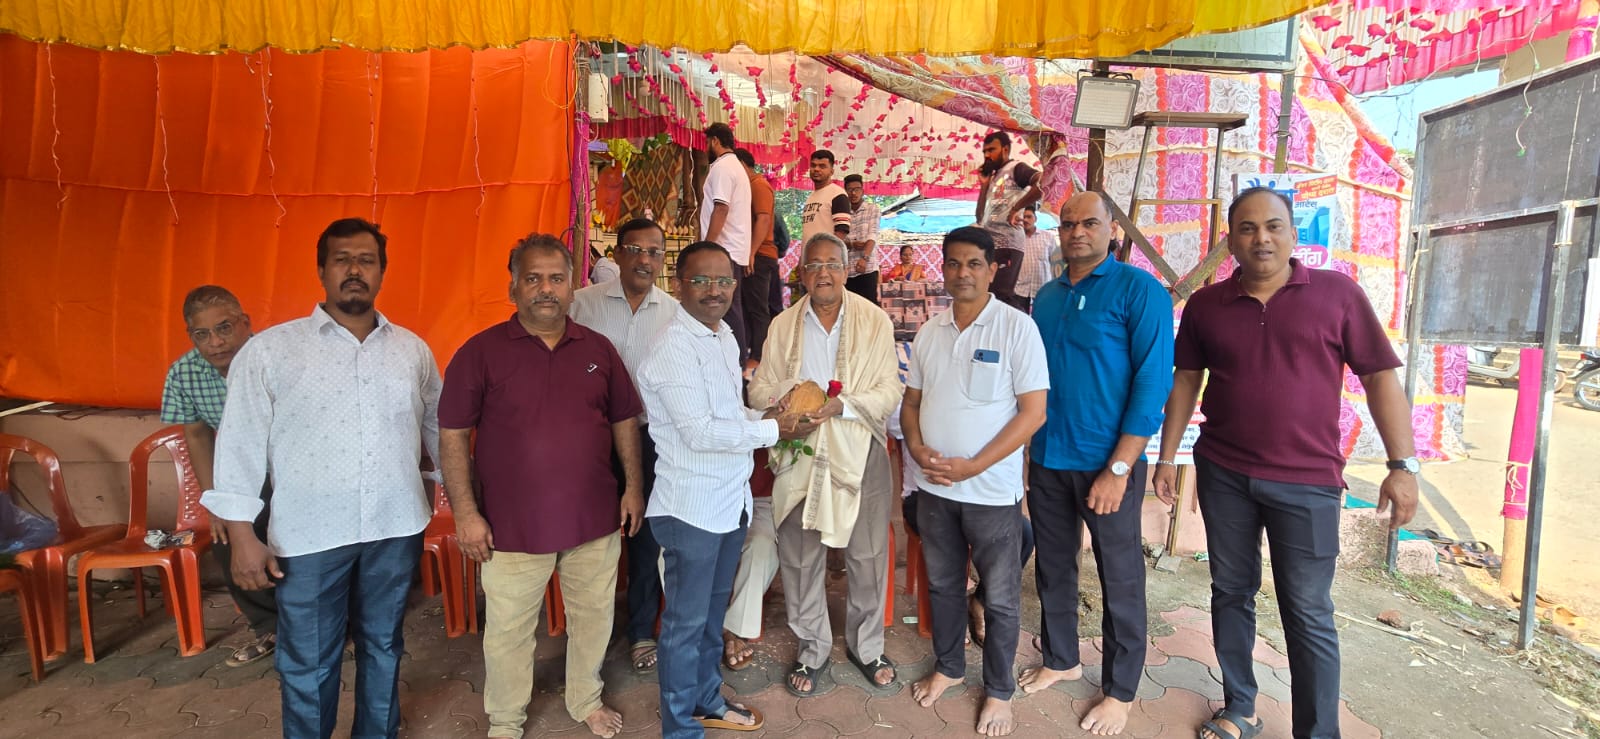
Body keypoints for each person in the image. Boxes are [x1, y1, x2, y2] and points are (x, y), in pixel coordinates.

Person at [1154, 187, 1420, 739]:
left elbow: (1379, 377)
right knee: (1231, 591)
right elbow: (1186, 380)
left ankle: (1317, 732)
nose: (1261, 238)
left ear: (1294, 234)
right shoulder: (1206, 305)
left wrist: (1403, 465)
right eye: (1247, 228)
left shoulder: (1337, 294)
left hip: (1308, 482)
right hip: (1224, 473)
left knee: (1307, 609)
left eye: (1273, 226)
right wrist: (1168, 455)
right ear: (1230, 241)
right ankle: (1240, 708)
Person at [202, 217, 441, 739]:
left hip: (394, 526)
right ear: (321, 270)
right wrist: (241, 535)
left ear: (382, 272)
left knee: (383, 645)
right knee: (308, 660)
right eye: (342, 260)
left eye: (366, 261)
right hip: (309, 536)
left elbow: (438, 428)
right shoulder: (271, 351)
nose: (355, 270)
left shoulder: (411, 350)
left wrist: (445, 490)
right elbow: (238, 445)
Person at [439, 233, 645, 739]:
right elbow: (453, 435)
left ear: (573, 287)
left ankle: (585, 699)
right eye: (533, 279)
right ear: (513, 288)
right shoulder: (480, 352)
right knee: (508, 632)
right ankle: (506, 721)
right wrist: (466, 514)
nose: (546, 289)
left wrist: (633, 488)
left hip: (593, 519)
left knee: (593, 619)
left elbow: (624, 420)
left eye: (556, 278)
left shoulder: (598, 350)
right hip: (510, 527)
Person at [637, 241, 811, 738]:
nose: (714, 290)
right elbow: (699, 433)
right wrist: (775, 430)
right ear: (678, 285)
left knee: (712, 617)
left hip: (729, 502)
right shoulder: (672, 347)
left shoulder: (724, 337)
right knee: (685, 624)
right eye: (700, 280)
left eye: (723, 281)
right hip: (689, 508)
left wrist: (767, 416)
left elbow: (729, 417)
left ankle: (707, 700)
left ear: (735, 285)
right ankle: (679, 728)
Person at [1017, 192, 1174, 735]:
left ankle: (1120, 690)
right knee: (1054, 566)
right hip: (1049, 456)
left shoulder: (1139, 290)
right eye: (1068, 224)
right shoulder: (1048, 297)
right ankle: (1061, 659)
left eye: (1089, 223)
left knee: (1120, 575)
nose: (1077, 232)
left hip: (1108, 464)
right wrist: (1028, 451)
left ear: (1112, 231)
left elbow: (1153, 381)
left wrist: (1120, 468)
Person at [903, 226, 1049, 737]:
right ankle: (948, 667)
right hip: (935, 488)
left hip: (990, 493)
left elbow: (1033, 413)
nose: (962, 273)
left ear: (992, 270)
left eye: (973, 264)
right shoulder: (930, 331)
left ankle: (999, 691)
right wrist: (916, 448)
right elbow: (912, 403)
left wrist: (976, 464)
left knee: (1002, 598)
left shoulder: (1016, 328)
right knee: (943, 585)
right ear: (943, 269)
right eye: (953, 263)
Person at [748, 233, 903, 696]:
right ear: (801, 274)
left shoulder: (874, 320)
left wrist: (843, 406)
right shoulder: (783, 325)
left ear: (847, 268)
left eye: (832, 264)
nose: (823, 274)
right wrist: (789, 399)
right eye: (813, 266)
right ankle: (812, 647)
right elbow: (758, 390)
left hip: (859, 444)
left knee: (867, 554)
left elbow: (890, 391)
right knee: (799, 555)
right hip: (801, 450)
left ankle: (867, 646)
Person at [570, 218, 678, 675]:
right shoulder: (583, 304)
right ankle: (587, 636)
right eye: (636, 249)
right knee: (592, 537)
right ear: (617, 254)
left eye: (655, 252)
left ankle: (639, 630)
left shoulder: (674, 313)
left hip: (649, 438)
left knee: (645, 537)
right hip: (591, 439)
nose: (645, 260)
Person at [159, 285, 277, 667]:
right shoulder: (183, 373)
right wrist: (216, 503)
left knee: (299, 537)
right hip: (239, 473)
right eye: (202, 334)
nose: (215, 342)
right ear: (190, 336)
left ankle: (327, 625)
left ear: (245, 323)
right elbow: (197, 436)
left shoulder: (275, 358)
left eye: (224, 328)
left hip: (291, 467)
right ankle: (270, 627)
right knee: (228, 537)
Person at [699, 122, 754, 360]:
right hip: (731, 250)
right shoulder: (736, 167)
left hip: (723, 250)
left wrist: (707, 247)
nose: (706, 148)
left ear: (714, 141)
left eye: (707, 143)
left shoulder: (722, 167)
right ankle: (734, 361)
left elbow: (721, 208)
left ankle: (736, 362)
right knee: (729, 307)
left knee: (726, 308)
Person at [973, 132, 1043, 311]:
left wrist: (1016, 208)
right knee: (989, 295)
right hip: (991, 244)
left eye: (992, 150)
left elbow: (1042, 183)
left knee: (1002, 296)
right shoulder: (994, 178)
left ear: (1005, 149)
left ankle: (1020, 327)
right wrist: (984, 186)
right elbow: (980, 217)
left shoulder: (1016, 168)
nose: (987, 155)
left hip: (1008, 243)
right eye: (985, 151)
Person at [736, 148, 778, 371]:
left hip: (760, 255)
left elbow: (763, 219)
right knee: (747, 306)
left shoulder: (758, 185)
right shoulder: (747, 186)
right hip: (753, 254)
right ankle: (751, 352)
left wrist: (751, 252)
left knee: (758, 308)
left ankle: (760, 356)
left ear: (743, 164)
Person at [843, 174, 882, 303]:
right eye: (850, 189)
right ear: (845, 191)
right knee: (850, 308)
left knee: (869, 307)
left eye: (857, 189)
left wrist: (864, 258)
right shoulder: (842, 212)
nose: (853, 193)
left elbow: (873, 234)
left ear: (862, 191)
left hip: (867, 268)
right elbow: (837, 238)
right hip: (847, 270)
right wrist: (851, 244)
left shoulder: (872, 209)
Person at [799, 150, 852, 246]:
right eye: (813, 165)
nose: (816, 169)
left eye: (822, 166)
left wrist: (827, 252)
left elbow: (842, 231)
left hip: (826, 254)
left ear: (831, 171)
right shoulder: (811, 197)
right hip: (808, 254)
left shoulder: (838, 194)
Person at [1012, 204, 1057, 314]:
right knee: (1021, 318)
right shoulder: (1015, 238)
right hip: (1021, 289)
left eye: (1029, 217)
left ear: (1035, 219)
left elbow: (1053, 260)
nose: (1025, 220)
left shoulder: (1048, 237)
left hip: (1042, 287)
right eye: (1023, 217)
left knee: (1042, 317)